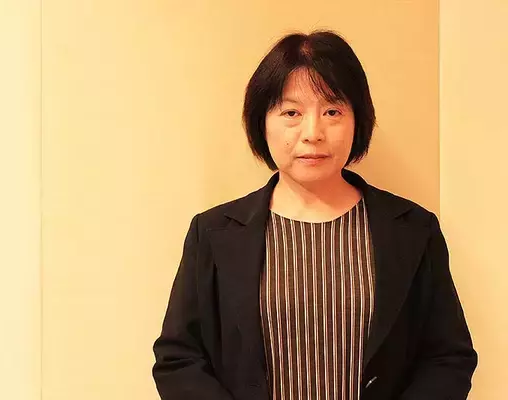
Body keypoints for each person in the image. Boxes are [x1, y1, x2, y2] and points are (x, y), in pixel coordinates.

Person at [152, 30, 477, 400]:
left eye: (332, 112)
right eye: (291, 113)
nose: (313, 133)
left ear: (358, 121)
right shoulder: (213, 232)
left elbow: (448, 357)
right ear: (262, 122)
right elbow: (178, 358)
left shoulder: (413, 229)